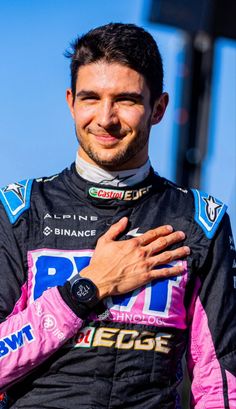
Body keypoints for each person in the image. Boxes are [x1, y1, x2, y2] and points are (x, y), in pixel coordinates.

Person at [0, 23, 235, 409]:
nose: (105, 118)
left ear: (158, 108)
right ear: (71, 102)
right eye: (91, 98)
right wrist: (87, 288)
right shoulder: (18, 211)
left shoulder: (200, 221)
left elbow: (222, 382)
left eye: (125, 100)